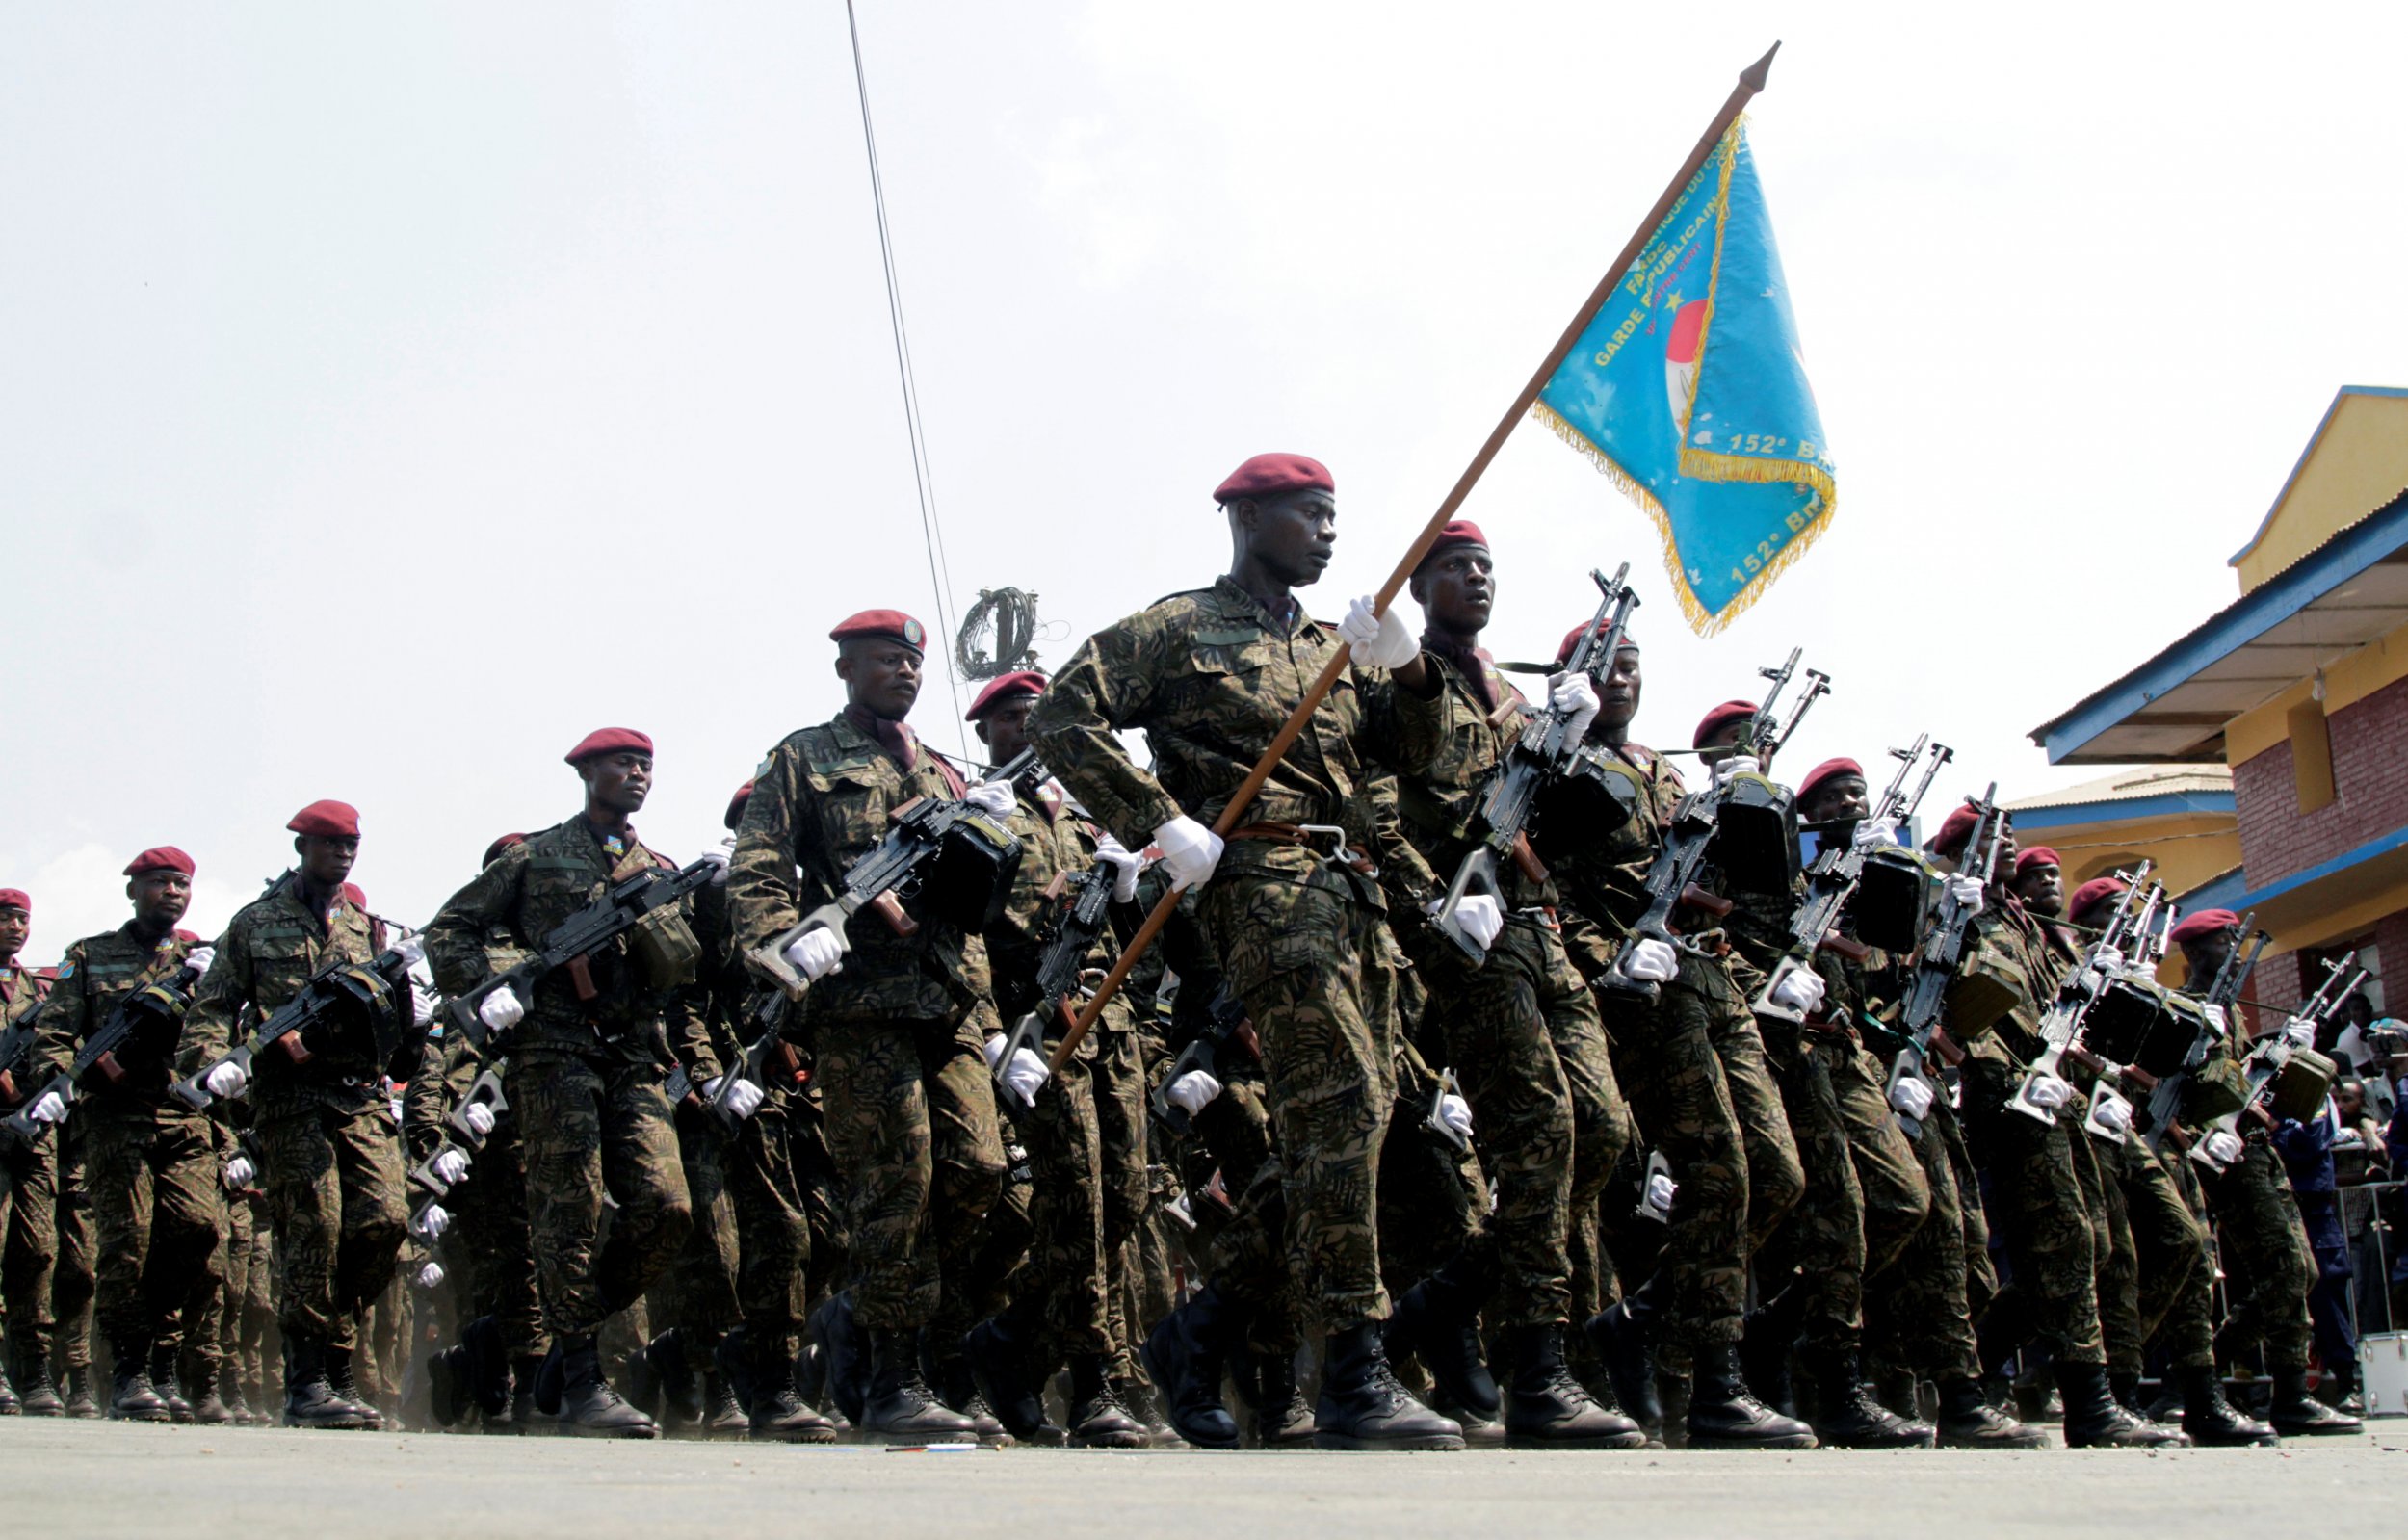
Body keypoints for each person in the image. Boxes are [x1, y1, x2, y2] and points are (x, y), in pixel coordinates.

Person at [1027, 453, 1464, 1451]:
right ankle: (1352, 1372)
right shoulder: (1179, 628)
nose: (1327, 533)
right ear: (1247, 515)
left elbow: (1420, 758)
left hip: (1353, 894)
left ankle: (1207, 1329)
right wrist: (1157, 820)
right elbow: (1063, 713)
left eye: (1334, 516)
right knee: (1343, 1100)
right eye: (1309, 514)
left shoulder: (1329, 644)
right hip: (1260, 886)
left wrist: (1406, 666)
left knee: (1352, 1131)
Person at [1356, 521, 1642, 1448]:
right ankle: (1537, 1371)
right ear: (1420, 583)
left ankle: (1444, 1301)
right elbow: (1369, 806)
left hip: (1536, 928)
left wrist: (1571, 734)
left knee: (1598, 1129)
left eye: (1485, 567)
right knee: (1539, 1134)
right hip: (1466, 934)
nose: (1475, 579)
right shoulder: (1387, 676)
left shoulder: (1519, 699)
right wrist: (1432, 906)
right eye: (1454, 567)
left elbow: (1555, 827)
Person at [726, 613, 1007, 1443]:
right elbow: (758, 867)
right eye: (887, 659)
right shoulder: (803, 757)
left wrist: (999, 832)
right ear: (846, 667)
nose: (905, 671)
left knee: (978, 1170)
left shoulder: (947, 773)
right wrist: (790, 934)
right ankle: (896, 1376)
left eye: (914, 660)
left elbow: (978, 907)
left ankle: (861, 1313)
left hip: (949, 999)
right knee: (896, 1182)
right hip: (860, 1007)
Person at [1533, 619, 1814, 1449]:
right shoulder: (1556, 772)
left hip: (1714, 981)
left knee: (1775, 1171)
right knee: (1720, 1168)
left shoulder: (1664, 775)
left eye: (1631, 665)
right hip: (1644, 995)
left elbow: (1745, 891)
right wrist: (1609, 961)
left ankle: (1643, 1317)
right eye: (1603, 667)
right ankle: (1716, 1387)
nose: (1621, 679)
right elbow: (1550, 898)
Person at [425, 730, 705, 1438]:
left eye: (645, 764)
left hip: (634, 1055)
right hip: (553, 1052)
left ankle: (565, 1334)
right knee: (570, 1210)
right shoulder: (534, 855)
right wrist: (497, 983)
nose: (637, 773)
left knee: (666, 1207)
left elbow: (686, 970)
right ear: (585, 772)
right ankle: (582, 1375)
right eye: (621, 763)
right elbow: (450, 928)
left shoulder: (656, 867)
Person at [955, 668, 1152, 1448]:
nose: (1028, 731)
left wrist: (1130, 881)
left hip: (1112, 1024)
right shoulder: (980, 816)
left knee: (1128, 1197)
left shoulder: (1082, 818)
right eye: (1010, 720)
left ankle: (1008, 1343)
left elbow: (1138, 935)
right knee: (1076, 1202)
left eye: (1039, 717)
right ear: (986, 735)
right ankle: (1093, 1380)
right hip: (1038, 1030)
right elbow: (969, 937)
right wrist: (998, 1032)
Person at [180, 800, 413, 1429]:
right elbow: (213, 1003)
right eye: (330, 843)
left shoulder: (369, 928)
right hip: (290, 1099)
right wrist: (214, 1061)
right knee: (315, 1222)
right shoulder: (255, 923)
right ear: (302, 847)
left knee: (385, 1220)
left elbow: (393, 1016)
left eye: (351, 845)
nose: (342, 854)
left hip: (359, 1094)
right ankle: (313, 1377)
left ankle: (332, 1350)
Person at [25, 848, 223, 1422]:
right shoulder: (89, 956)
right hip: (116, 1117)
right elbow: (55, 1033)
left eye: (182, 884)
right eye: (161, 883)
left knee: (196, 1230)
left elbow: (232, 1026)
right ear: (133, 890)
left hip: (184, 1113)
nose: (173, 892)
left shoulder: (202, 957)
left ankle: (163, 1353)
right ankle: (133, 1370)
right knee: (127, 1245)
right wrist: (63, 1084)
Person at [2170, 909, 2361, 1437]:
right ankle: (2266, 1389)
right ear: (2192, 954)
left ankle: (2263, 1382)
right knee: (2282, 1267)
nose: (2233, 952)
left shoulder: (2231, 1012)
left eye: (2236, 940)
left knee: (2300, 1270)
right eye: (2221, 943)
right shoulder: (2187, 1008)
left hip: (2255, 1151)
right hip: (2219, 1155)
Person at [0, 888, 64, 1415]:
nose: (16, 926)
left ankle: (36, 1369)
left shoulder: (39, 990)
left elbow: (59, 1047)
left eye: (22, 919)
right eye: (5, 918)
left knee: (37, 1251)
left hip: (33, 1134)